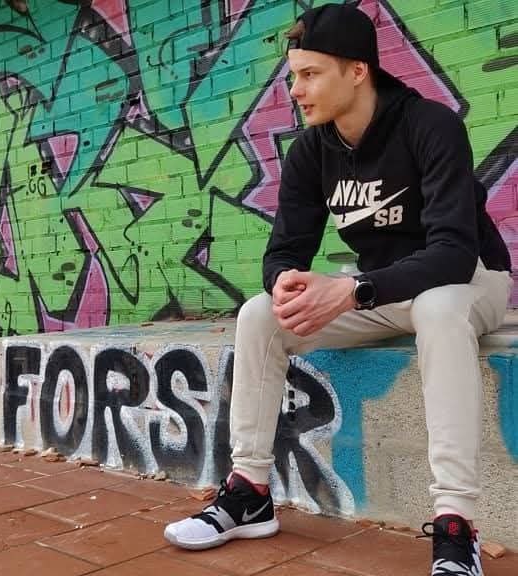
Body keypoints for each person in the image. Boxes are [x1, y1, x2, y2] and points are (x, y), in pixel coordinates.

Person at [164, 4, 512, 575]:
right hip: (381, 292)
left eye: (310, 74)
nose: (295, 90)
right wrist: (285, 282)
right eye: (293, 76)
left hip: (469, 280)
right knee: (259, 314)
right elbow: (282, 252)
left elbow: (453, 252)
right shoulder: (311, 151)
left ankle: (455, 523)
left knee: (437, 308)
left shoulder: (430, 126)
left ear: (357, 71)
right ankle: (249, 491)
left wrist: (352, 292)